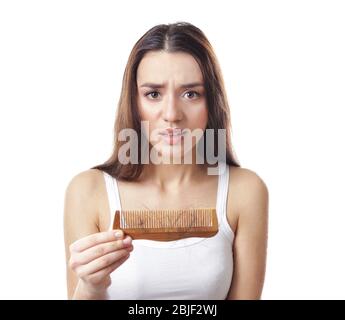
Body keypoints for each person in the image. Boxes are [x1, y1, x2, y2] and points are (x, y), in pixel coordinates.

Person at [63, 22, 269, 300]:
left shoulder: (244, 191)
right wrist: (90, 287)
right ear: (134, 102)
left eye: (191, 93)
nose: (172, 114)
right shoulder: (88, 191)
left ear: (212, 103)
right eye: (154, 94)